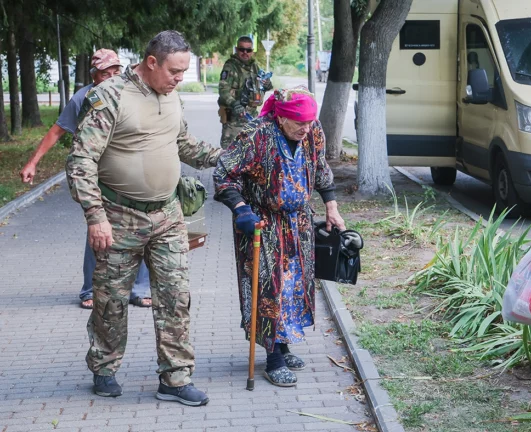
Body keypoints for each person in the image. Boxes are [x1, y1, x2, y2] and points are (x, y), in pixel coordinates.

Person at [66, 30, 222, 406]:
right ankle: (104, 367)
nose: (178, 78)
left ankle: (175, 378)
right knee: (110, 301)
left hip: (167, 215)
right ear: (151, 62)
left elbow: (183, 143)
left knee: (175, 298)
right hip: (119, 216)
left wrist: (230, 158)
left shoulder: (172, 96)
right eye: (174, 71)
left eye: (184, 71)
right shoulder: (110, 95)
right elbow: (81, 161)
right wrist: (95, 216)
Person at [212, 86, 345, 387]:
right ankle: (272, 358)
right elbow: (223, 174)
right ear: (281, 118)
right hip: (264, 223)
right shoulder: (256, 135)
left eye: (309, 122)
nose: (306, 128)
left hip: (299, 223)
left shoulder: (312, 131)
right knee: (270, 288)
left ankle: (284, 346)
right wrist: (241, 208)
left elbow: (321, 168)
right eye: (299, 122)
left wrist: (332, 206)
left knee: (295, 285)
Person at [19, 49, 153, 310]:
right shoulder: (84, 97)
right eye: (106, 72)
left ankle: (140, 288)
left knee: (143, 227)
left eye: (116, 70)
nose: (113, 75)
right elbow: (57, 131)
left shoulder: (131, 92)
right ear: (94, 75)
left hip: (131, 174)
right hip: (97, 178)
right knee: (98, 230)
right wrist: (33, 162)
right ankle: (90, 289)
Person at [218, 35, 273, 147]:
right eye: (241, 49)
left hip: (251, 119)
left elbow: (262, 86)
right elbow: (223, 90)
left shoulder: (254, 67)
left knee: (251, 154)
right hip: (234, 121)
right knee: (230, 154)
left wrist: (267, 84)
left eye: (248, 50)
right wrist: (234, 103)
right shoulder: (231, 66)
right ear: (237, 50)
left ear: (252, 51)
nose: (245, 52)